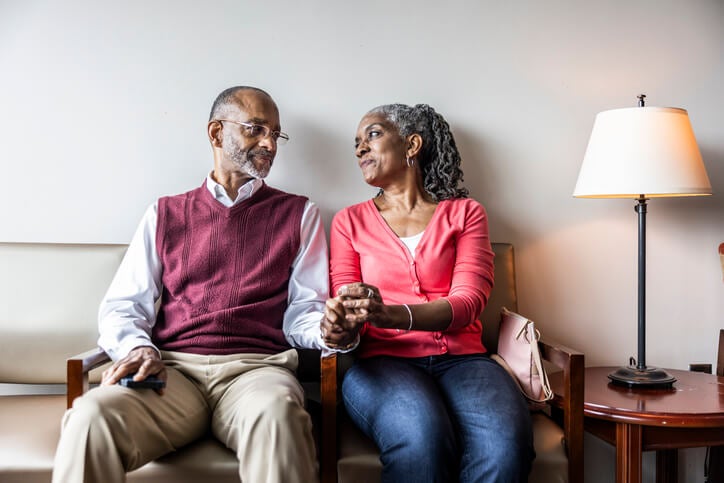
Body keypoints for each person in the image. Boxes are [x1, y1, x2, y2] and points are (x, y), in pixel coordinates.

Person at [53, 86, 338, 483]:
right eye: (256, 129)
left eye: (276, 133)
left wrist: (328, 330)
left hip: (256, 372)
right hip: (172, 373)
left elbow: (303, 314)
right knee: (89, 416)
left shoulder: (299, 214)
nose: (270, 143)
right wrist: (138, 348)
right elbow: (124, 305)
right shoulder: (165, 212)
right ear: (216, 133)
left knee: (280, 415)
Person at [321, 103, 534, 482]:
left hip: (465, 362)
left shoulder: (465, 214)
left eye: (372, 135)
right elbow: (348, 304)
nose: (359, 150)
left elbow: (468, 303)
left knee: (505, 448)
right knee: (422, 439)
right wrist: (342, 325)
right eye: (356, 143)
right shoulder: (348, 222)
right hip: (382, 364)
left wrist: (391, 314)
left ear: (412, 144)